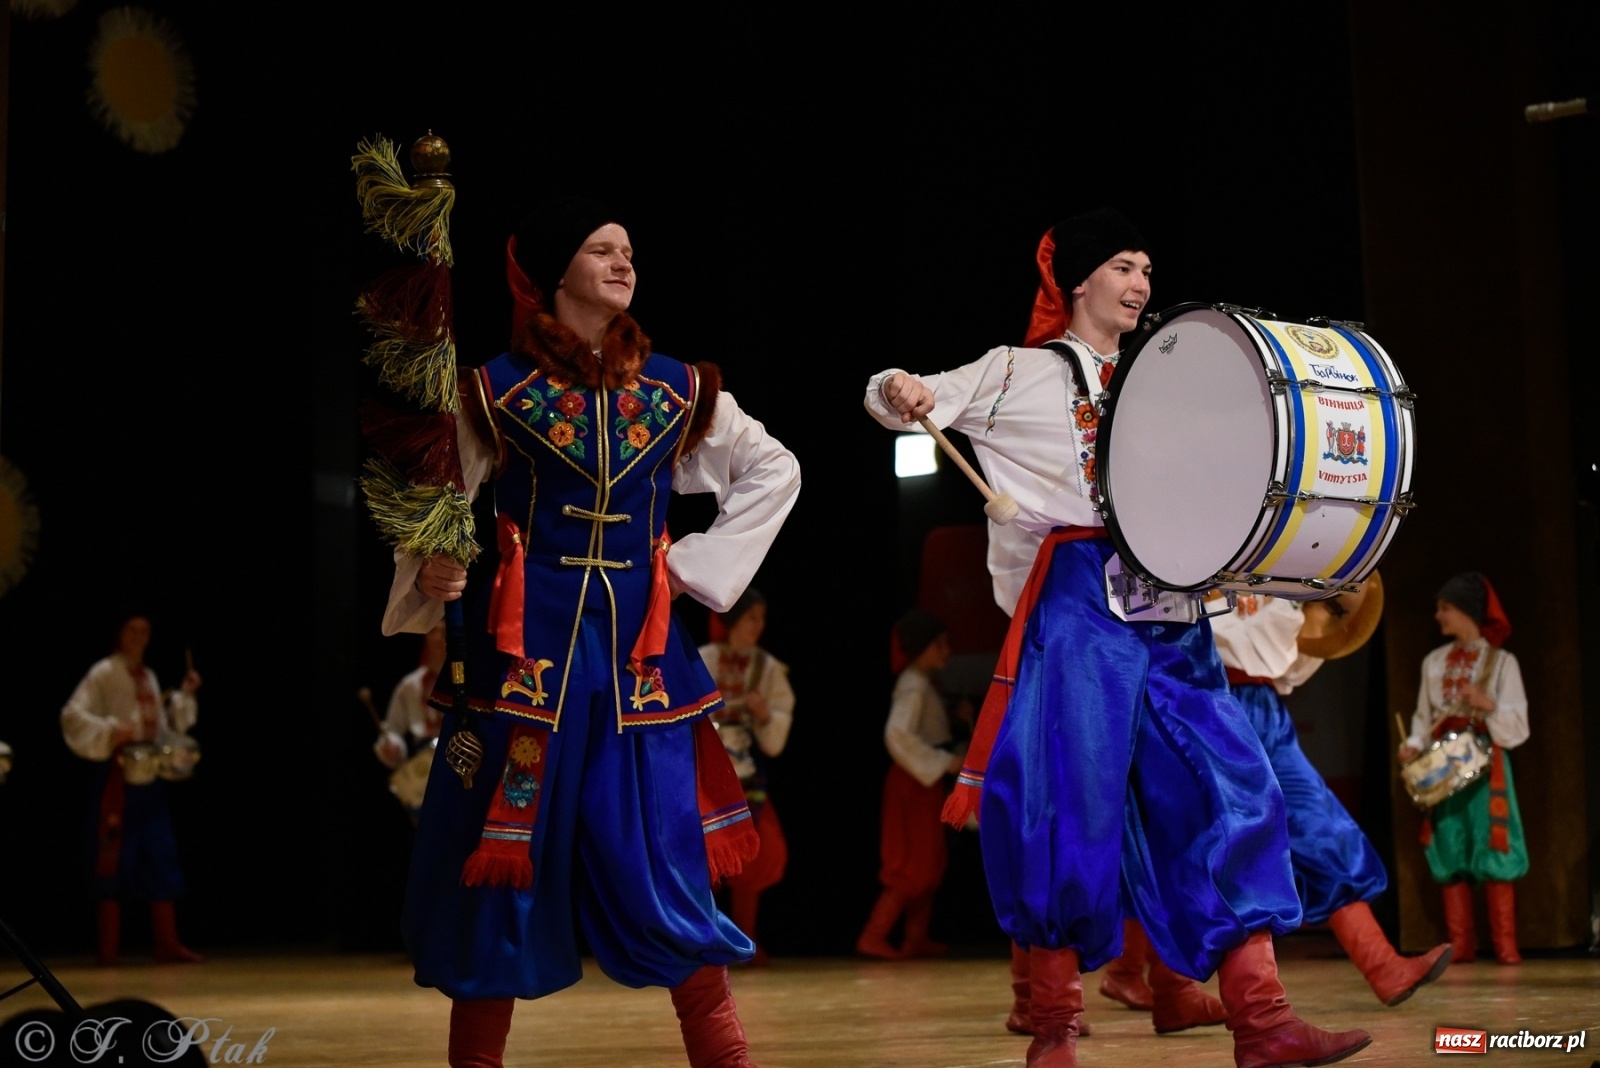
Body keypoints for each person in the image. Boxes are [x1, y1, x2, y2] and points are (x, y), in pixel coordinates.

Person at [862, 208, 1371, 1068]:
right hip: (1078, 602)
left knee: (1233, 788)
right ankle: (1055, 1030)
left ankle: (1265, 1020)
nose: (1140, 283)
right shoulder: (1016, 371)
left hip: (1171, 604)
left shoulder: (1163, 374)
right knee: (1070, 804)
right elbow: (897, 398)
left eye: (1146, 268)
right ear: (1081, 281)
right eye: (1125, 266)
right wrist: (896, 386)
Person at [383, 199, 800, 1068]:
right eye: (600, 248)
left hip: (637, 673)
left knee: (667, 871)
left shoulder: (675, 391)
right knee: (499, 874)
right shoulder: (500, 391)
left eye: (628, 251)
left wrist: (689, 570)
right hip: (525, 672)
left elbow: (774, 468)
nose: (622, 262)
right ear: (552, 273)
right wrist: (434, 569)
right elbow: (438, 506)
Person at [1211, 587, 1454, 1002]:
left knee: (1321, 823)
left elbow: (1291, 661)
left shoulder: (1277, 572)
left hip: (1263, 706)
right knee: (1201, 843)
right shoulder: (1198, 555)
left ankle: (1382, 964)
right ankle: (1161, 986)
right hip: (1212, 704)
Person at [1399, 572, 1528, 966]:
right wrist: (1412, 745)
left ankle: (1506, 947)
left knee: (1493, 843)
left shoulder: (1502, 663)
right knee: (1450, 843)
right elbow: (1423, 719)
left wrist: (1488, 705)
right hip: (1445, 767)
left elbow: (1519, 722)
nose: (1438, 616)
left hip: (1487, 761)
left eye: (1445, 608)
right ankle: (1462, 945)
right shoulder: (1433, 663)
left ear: (1467, 612)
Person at [60, 614, 203, 967]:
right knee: (112, 855)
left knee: (161, 852)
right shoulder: (104, 672)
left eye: (145, 630)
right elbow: (72, 715)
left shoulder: (149, 676)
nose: (139, 636)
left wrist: (184, 696)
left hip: (149, 779)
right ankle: (108, 949)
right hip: (118, 779)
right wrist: (112, 730)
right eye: (132, 629)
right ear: (120, 633)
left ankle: (167, 943)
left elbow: (164, 726)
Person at [856, 610, 964, 961]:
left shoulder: (923, 682)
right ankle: (873, 936)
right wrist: (943, 762)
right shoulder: (914, 686)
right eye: (939, 644)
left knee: (931, 861)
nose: (946, 651)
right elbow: (897, 734)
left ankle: (915, 936)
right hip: (912, 782)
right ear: (921, 648)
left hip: (923, 782)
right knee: (910, 864)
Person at [699, 589, 794, 965]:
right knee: (705, 859)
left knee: (760, 854)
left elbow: (775, 737)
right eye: (752, 618)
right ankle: (703, 938)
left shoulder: (767, 668)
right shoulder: (703, 659)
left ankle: (745, 941)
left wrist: (764, 715)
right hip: (707, 774)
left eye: (761, 619)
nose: (759, 626)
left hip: (745, 776)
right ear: (733, 620)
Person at [374, 622, 447, 770]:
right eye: (432, 631)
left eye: (445, 633)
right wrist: (392, 746)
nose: (438, 638)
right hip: (422, 760)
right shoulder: (410, 685)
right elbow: (393, 729)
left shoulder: (465, 684)